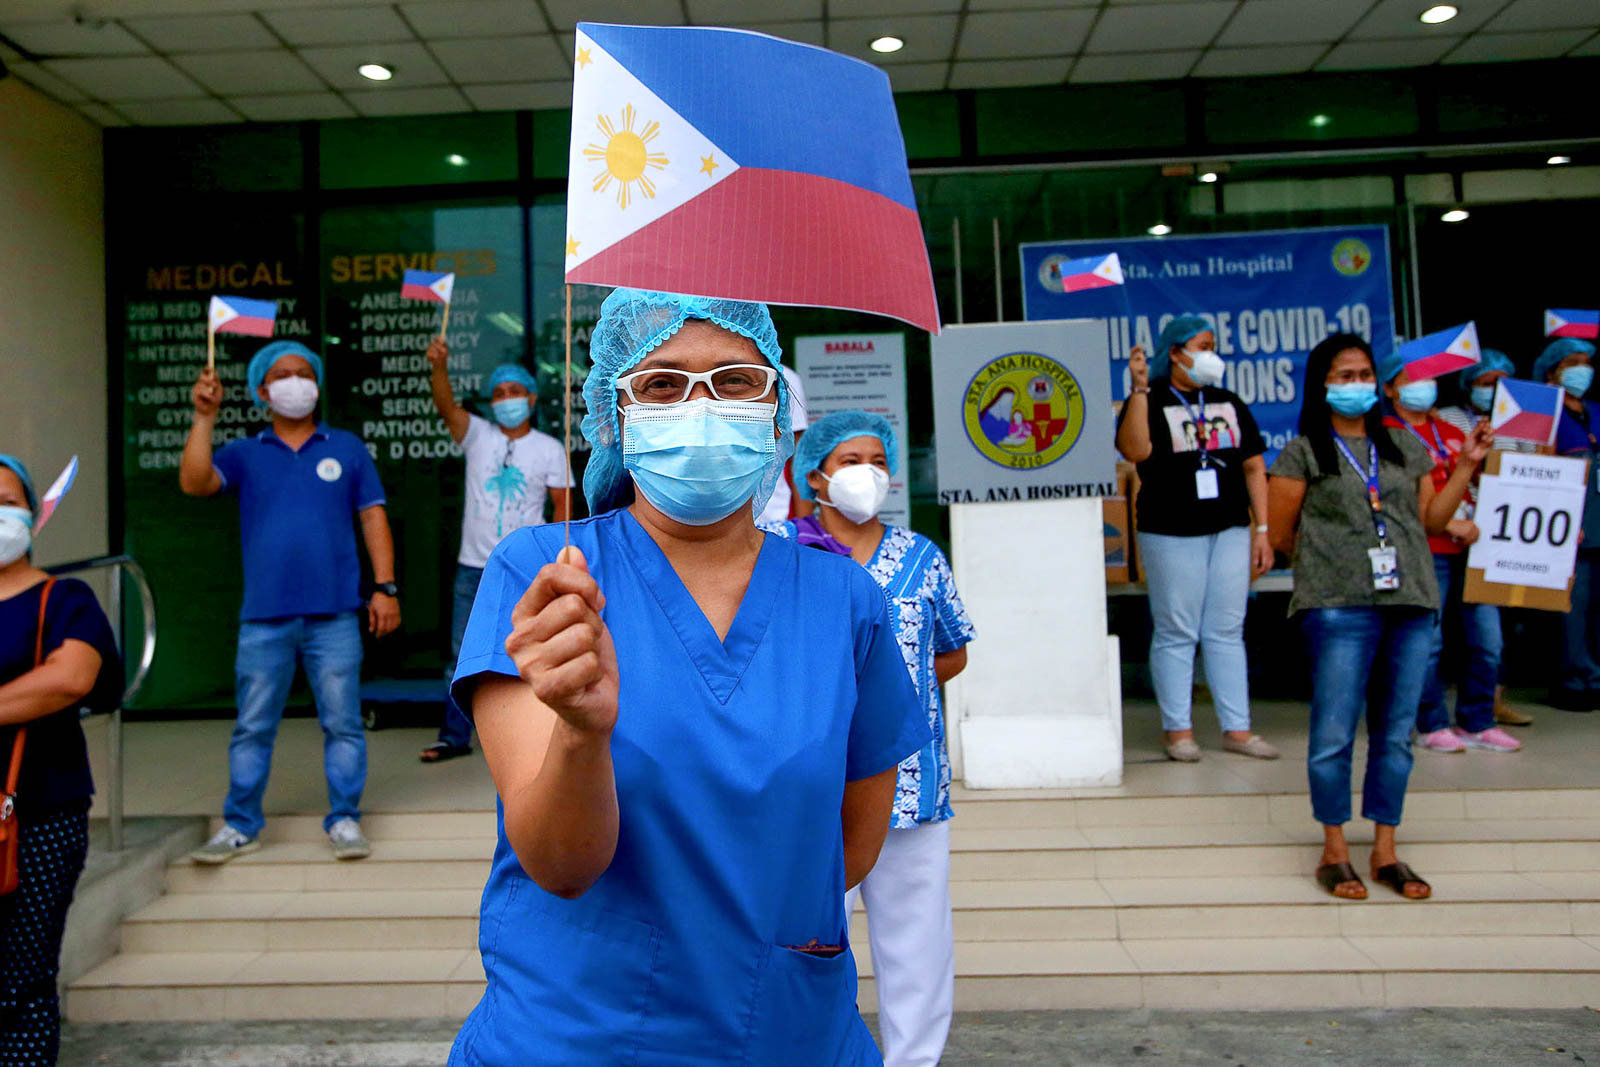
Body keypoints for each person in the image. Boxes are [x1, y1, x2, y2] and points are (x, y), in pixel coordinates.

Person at [446, 289, 928, 1065]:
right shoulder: (543, 578)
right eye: (662, 384)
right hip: (580, 1037)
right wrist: (581, 731)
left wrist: (760, 930)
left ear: (776, 414)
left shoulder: (845, 601)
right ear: (614, 416)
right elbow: (560, 866)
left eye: (735, 381)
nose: (700, 406)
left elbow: (849, 843)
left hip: (785, 1030)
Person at [768, 410, 975, 1067]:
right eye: (850, 458)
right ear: (815, 473)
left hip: (911, 782)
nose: (867, 472)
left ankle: (914, 1060)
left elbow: (953, 652)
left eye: (877, 460)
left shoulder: (922, 556)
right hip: (809, 779)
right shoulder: (780, 547)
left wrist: (891, 694)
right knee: (805, 934)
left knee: (916, 941)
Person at [1268, 334, 1490, 901]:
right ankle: (1335, 850)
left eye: (1364, 374)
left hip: (1410, 601)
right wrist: (1334, 560)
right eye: (1344, 376)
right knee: (1335, 733)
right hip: (1338, 605)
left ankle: (1387, 850)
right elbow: (1283, 533)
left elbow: (1434, 519)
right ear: (1322, 384)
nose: (1357, 384)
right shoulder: (1302, 452)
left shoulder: (1400, 445)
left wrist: (1466, 465)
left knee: (1396, 735)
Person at [179, 341, 400, 864]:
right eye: (283, 375)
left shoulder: (345, 448)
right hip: (264, 618)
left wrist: (385, 587)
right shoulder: (244, 452)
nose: (296, 382)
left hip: (335, 615)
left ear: (318, 386)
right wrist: (203, 417)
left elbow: (373, 517)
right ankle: (240, 825)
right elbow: (195, 482)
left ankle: (345, 818)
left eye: (305, 374)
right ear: (262, 391)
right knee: (253, 725)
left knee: (342, 721)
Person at [0, 454, 121, 1066]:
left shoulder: (65, 599)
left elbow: (70, 678)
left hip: (39, 814)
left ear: (32, 512)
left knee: (20, 975)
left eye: (5, 499)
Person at [1114, 314, 1278, 762]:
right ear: (1176, 353)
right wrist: (1140, 389)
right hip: (1170, 529)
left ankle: (1237, 729)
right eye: (1201, 346)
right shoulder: (1153, 398)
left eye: (1212, 346)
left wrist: (1262, 530)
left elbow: (1253, 467)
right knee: (1177, 630)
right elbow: (1135, 450)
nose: (1210, 355)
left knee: (1227, 629)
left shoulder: (1227, 400)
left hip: (1230, 527)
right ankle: (1178, 730)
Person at [421, 341, 572, 764]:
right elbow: (446, 406)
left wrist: (556, 563)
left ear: (532, 398)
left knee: (533, 652)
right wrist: (439, 368)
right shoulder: (478, 436)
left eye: (515, 392)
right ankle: (454, 737)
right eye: (500, 393)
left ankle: (537, 736)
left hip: (527, 569)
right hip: (474, 567)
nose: (507, 399)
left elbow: (562, 509)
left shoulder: (548, 448)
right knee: (461, 655)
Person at [1378, 357, 1519, 754]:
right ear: (1390, 389)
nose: (1424, 385)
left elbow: (1485, 485)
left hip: (1474, 547)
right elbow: (1390, 495)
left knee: (1488, 640)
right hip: (1424, 549)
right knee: (1429, 641)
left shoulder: (1449, 429)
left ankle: (1478, 721)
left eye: (1429, 378)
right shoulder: (1385, 433)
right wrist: (1444, 523)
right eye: (1412, 379)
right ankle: (1431, 722)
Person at [1437, 348, 1535, 726]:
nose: (1493, 390)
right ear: (1468, 384)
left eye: (1500, 383)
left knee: (1493, 632)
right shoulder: (1446, 419)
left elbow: (1539, 468)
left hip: (1501, 539)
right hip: (1452, 532)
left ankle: (1490, 704)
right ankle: (1431, 717)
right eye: (1485, 382)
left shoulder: (1524, 423)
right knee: (1436, 633)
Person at [1538, 337, 1600, 711]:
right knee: (1570, 609)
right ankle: (1574, 680)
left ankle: (1596, 675)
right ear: (1552, 371)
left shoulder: (1595, 409)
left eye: (1587, 362)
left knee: (1597, 606)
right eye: (1572, 362)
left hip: (1598, 519)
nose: (1582, 369)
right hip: (1568, 525)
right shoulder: (1546, 412)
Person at [755, 365, 812, 525]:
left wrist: (803, 529)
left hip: (774, 519)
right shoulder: (687, 374)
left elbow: (800, 461)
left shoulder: (784, 376)